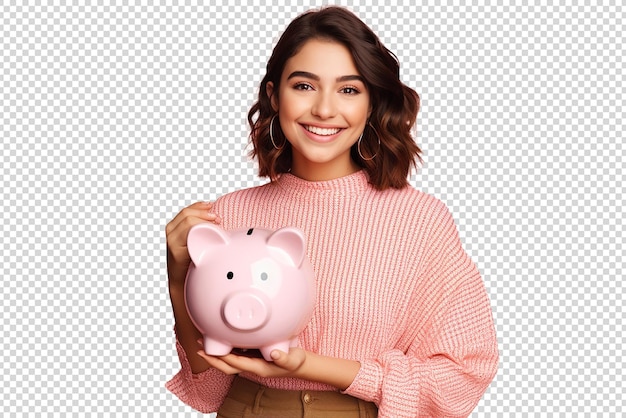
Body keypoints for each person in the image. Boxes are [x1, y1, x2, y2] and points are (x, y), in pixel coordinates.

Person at [165, 6, 498, 417]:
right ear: (274, 94)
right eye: (304, 86)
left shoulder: (420, 220)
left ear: (372, 102)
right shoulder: (226, 217)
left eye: (348, 90)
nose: (324, 110)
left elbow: (464, 374)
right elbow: (207, 389)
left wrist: (313, 366)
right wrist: (178, 274)